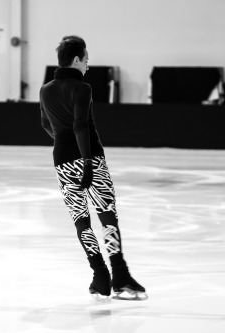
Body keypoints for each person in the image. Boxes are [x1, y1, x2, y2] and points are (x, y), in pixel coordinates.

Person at [39, 36, 146, 299]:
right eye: (86, 60)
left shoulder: (46, 89)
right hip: (90, 159)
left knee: (81, 219)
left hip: (62, 160)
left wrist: (64, 145)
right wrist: (86, 161)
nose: (88, 65)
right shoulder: (82, 88)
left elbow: (45, 124)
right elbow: (80, 126)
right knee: (106, 214)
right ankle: (120, 277)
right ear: (76, 59)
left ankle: (100, 276)